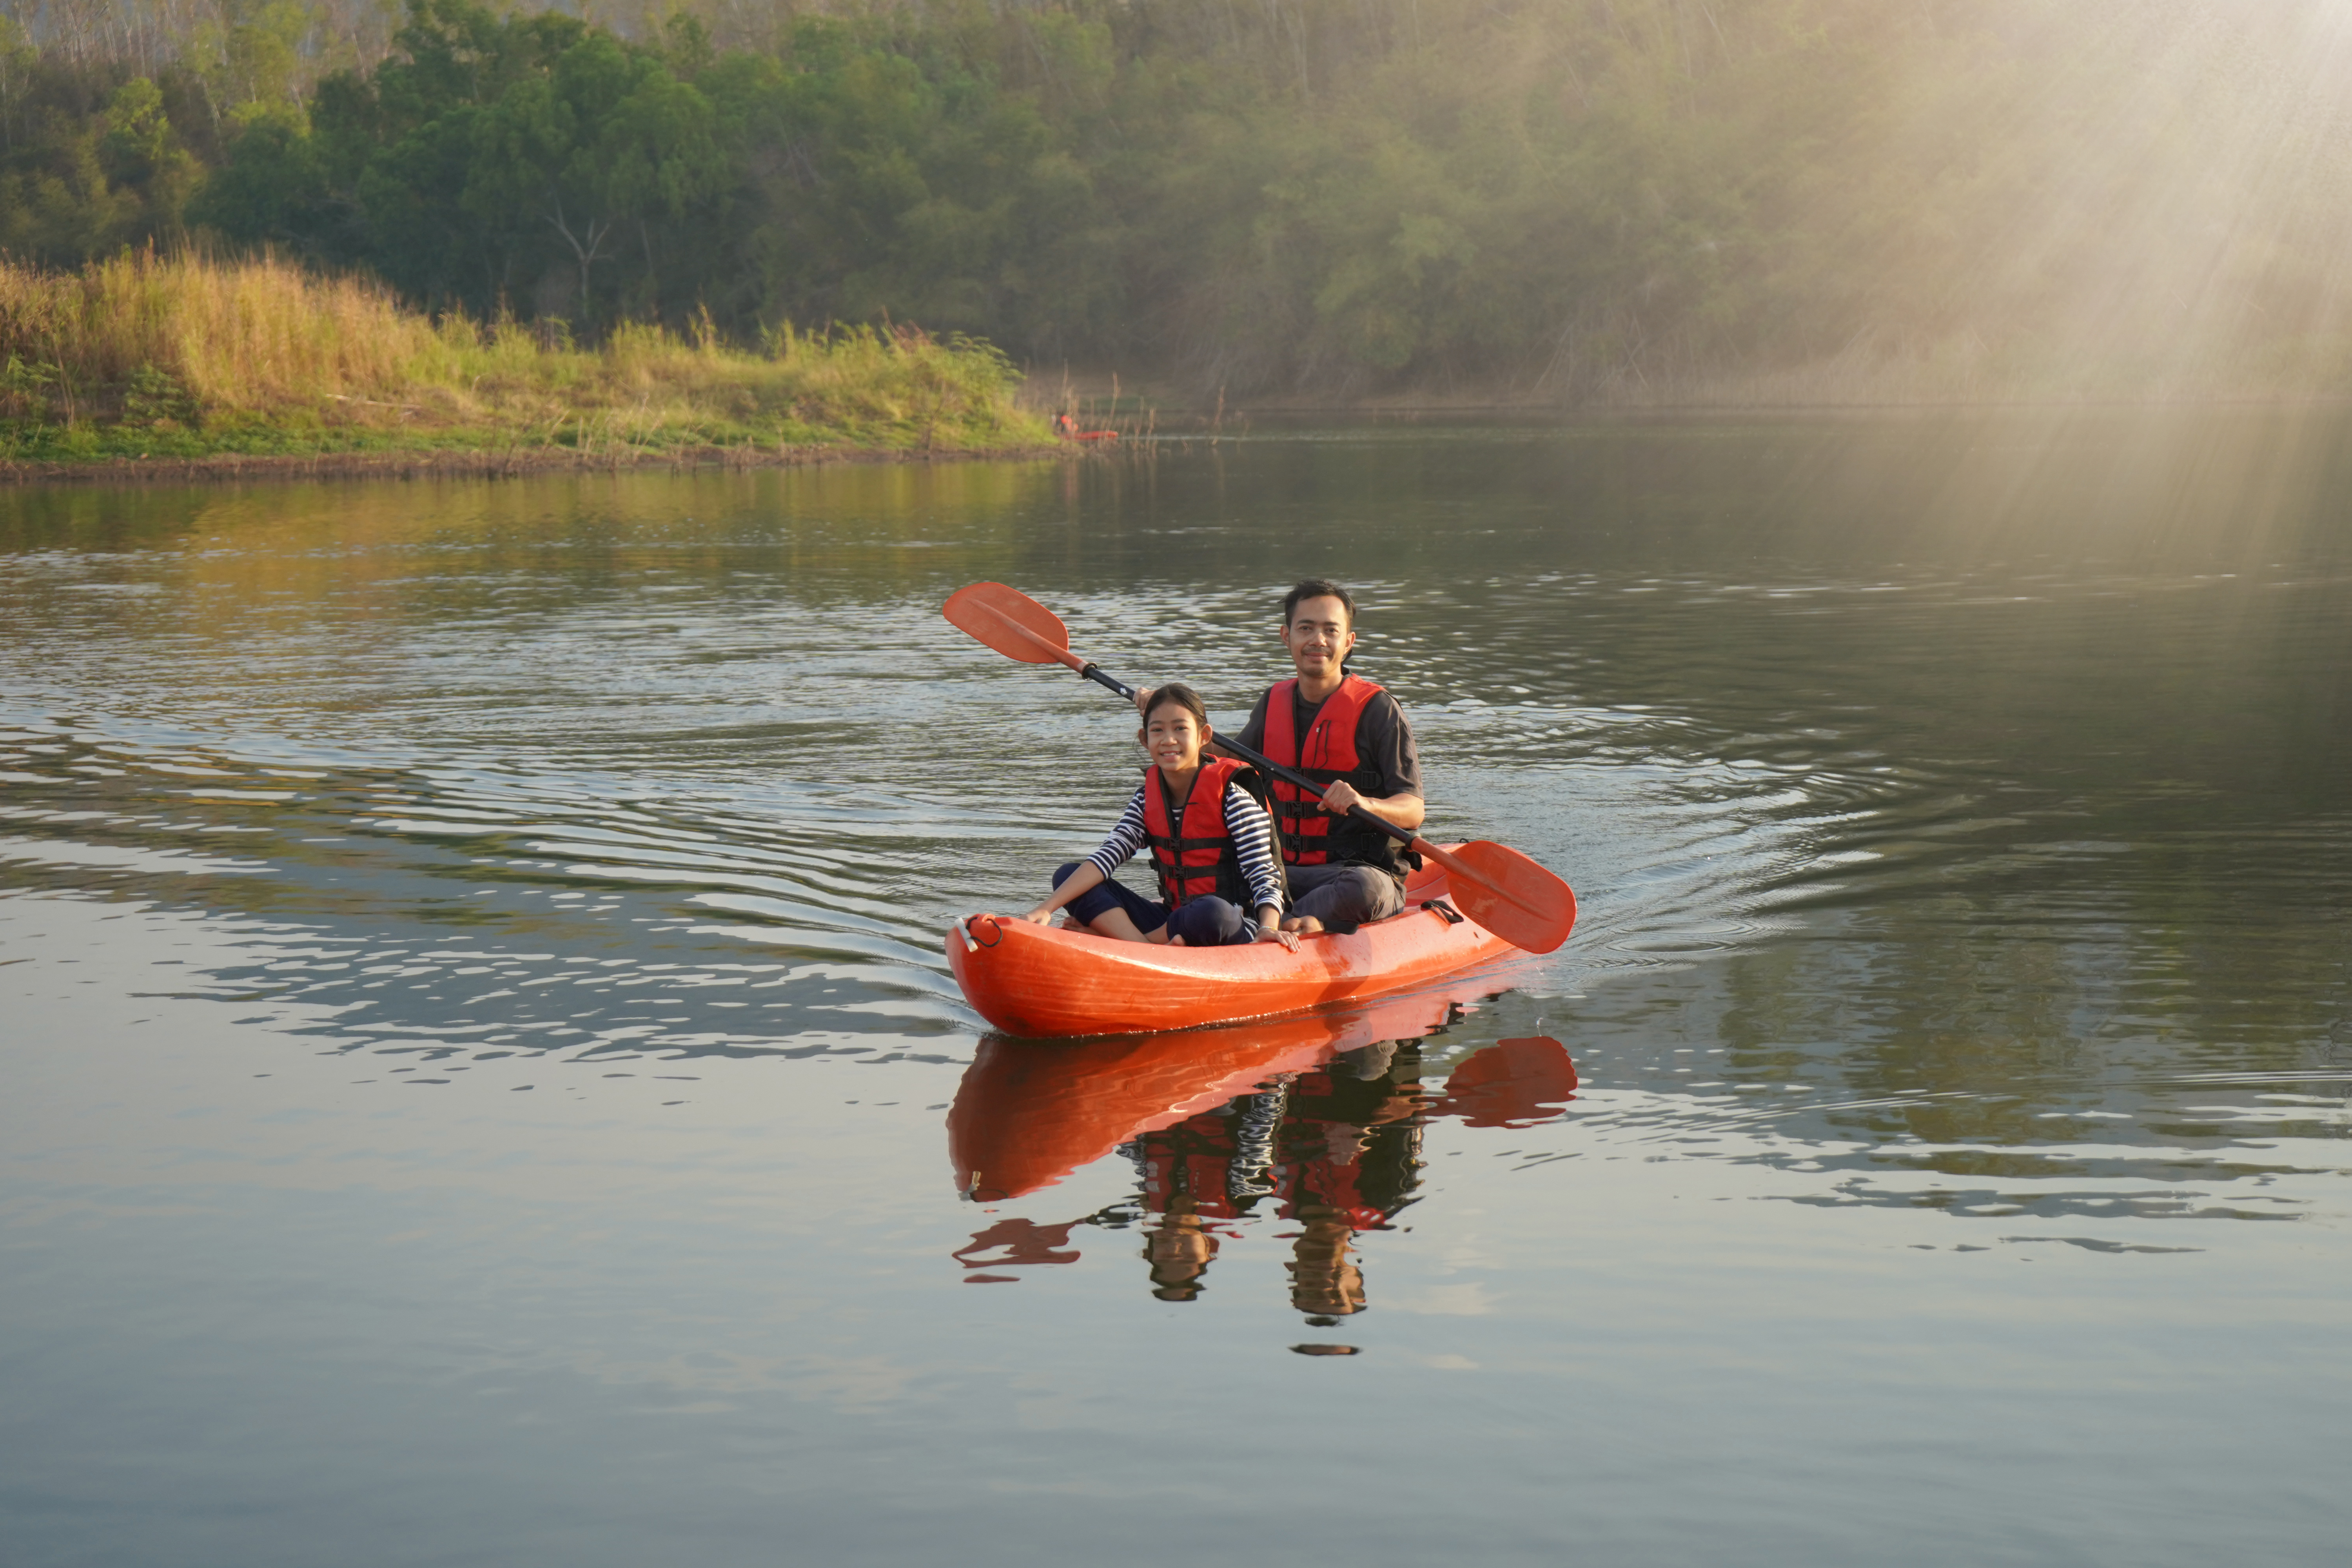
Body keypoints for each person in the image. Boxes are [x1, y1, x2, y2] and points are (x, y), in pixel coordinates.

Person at [1020, 682, 1298, 949]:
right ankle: (1143, 946)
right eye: (1158, 730)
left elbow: (1264, 876)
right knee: (1068, 876)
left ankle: (1126, 941)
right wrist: (1045, 909)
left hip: (1230, 923)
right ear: (1145, 740)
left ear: (1204, 737)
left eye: (1180, 729)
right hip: (1172, 920)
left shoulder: (1233, 798)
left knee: (1211, 911)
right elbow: (1108, 856)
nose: (1169, 740)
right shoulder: (1145, 799)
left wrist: (1268, 928)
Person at [1231, 579, 1425, 935]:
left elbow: (1413, 809)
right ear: (1286, 636)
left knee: (1364, 888)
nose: (1317, 640)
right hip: (1284, 874)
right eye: (1306, 628)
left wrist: (1365, 803)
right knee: (1224, 872)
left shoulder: (1378, 710)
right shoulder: (1272, 703)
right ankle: (1270, 920)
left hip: (1356, 876)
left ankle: (1268, 925)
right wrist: (1170, 715)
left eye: (1330, 630)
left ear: (1348, 642)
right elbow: (1220, 757)